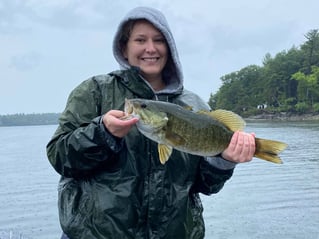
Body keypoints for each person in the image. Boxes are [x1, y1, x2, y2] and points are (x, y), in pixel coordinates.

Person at [46, 6, 255, 239]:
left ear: (170, 48)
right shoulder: (94, 91)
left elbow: (204, 186)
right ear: (124, 48)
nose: (150, 48)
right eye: (140, 40)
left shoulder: (194, 105)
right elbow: (59, 156)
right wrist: (102, 133)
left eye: (159, 40)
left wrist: (223, 162)